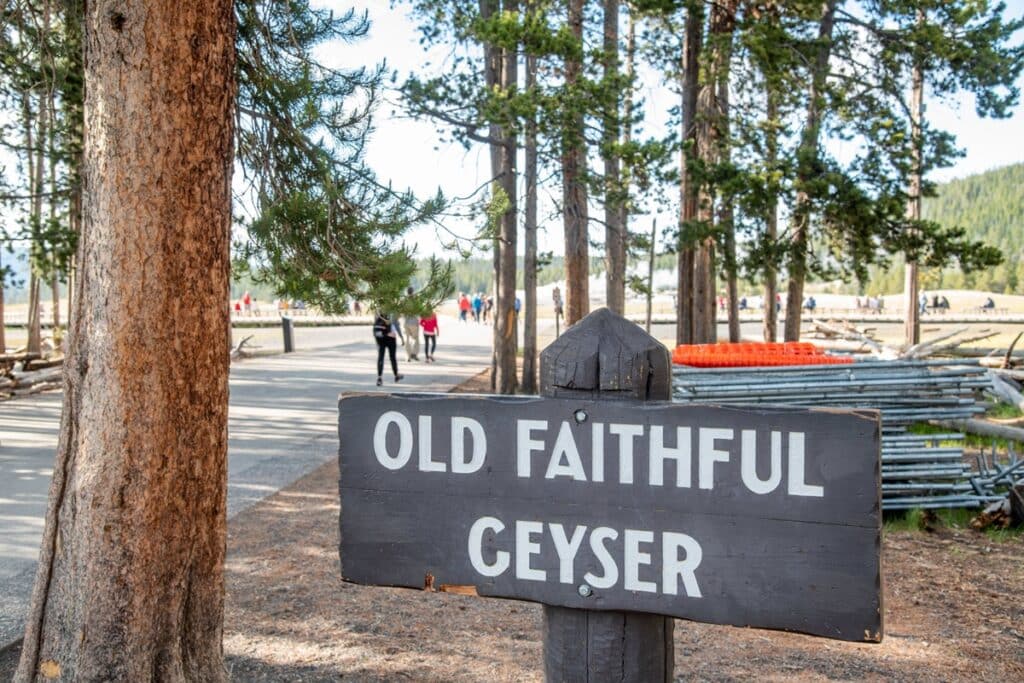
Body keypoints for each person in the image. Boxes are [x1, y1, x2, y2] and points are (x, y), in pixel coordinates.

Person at [372, 311, 404, 386]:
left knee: (381, 357)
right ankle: (396, 375)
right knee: (392, 357)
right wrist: (401, 336)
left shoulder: (378, 312)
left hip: (380, 338)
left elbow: (375, 327)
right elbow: (396, 325)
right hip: (390, 338)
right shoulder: (393, 312)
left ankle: (379, 378)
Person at [403, 288, 421, 362]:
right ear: (413, 292)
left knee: (407, 339)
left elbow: (402, 311)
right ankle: (414, 354)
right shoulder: (416, 300)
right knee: (416, 339)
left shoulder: (404, 300)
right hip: (414, 322)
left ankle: (408, 356)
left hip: (406, 322)